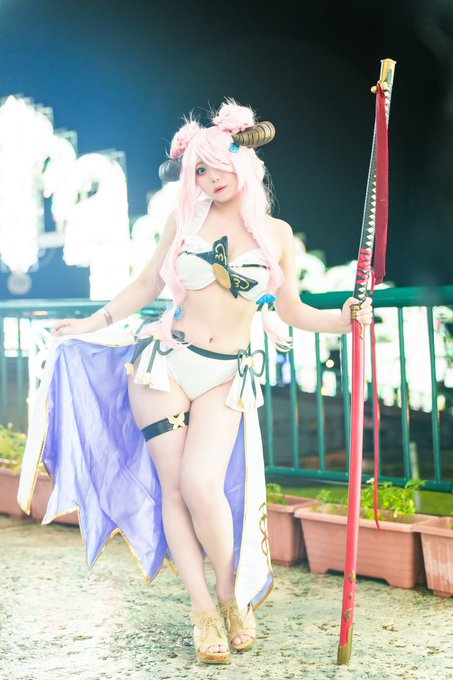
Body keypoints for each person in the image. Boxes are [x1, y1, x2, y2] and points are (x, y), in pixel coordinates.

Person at [18, 100, 373, 665]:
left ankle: (232, 598)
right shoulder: (183, 224)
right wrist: (90, 323)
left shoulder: (276, 234)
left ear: (245, 163)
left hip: (225, 374)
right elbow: (144, 286)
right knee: (176, 490)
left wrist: (345, 318)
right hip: (164, 366)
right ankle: (203, 609)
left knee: (202, 485)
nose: (211, 178)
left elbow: (295, 310)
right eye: (199, 169)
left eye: (219, 165)